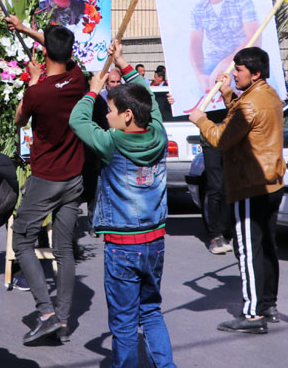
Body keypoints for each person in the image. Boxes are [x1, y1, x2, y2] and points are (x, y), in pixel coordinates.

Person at [69, 40, 175, 367]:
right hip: (154, 240)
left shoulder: (111, 142)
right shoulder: (158, 134)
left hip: (123, 244)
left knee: (124, 322)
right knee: (151, 311)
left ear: (127, 115)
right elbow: (148, 98)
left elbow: (77, 121)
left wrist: (92, 91)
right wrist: (124, 63)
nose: (107, 115)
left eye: (111, 110)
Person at [189, 47, 285, 334]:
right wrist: (228, 93)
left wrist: (201, 120)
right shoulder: (268, 95)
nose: (233, 74)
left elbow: (221, 139)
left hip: (249, 185)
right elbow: (245, 119)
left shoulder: (250, 104)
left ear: (255, 73)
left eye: (239, 70)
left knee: (248, 251)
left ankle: (253, 314)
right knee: (266, 247)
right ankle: (268, 304)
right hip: (271, 183)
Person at [8, 16, 86, 344]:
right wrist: (26, 29)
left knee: (22, 240)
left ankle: (46, 313)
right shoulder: (78, 79)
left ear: (45, 54)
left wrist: (34, 80)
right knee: (64, 249)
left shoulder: (38, 93)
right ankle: (63, 320)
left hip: (46, 178)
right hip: (74, 178)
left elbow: (19, 119)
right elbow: (56, 47)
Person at [189, 0, 260, 94]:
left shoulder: (242, 1)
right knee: (193, 91)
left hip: (244, 60)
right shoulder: (198, 9)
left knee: (268, 90)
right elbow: (195, 45)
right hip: (213, 63)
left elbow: (254, 39)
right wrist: (199, 75)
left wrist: (226, 64)